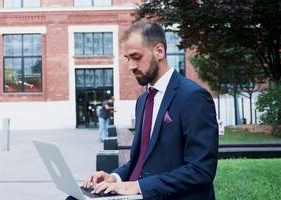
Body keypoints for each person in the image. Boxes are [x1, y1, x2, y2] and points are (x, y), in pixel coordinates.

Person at [82, 19, 219, 200]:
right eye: (127, 59)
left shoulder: (193, 97)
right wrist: (114, 177)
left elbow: (201, 170)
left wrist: (138, 187)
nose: (131, 66)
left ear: (159, 51)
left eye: (136, 57)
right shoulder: (143, 100)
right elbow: (142, 160)